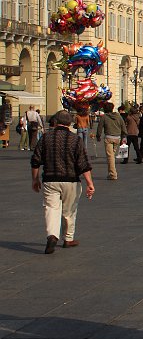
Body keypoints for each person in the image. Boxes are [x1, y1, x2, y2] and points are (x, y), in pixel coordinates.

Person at [30, 109, 95, 254]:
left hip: (50, 179)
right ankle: (68, 239)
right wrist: (90, 183)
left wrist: (35, 179)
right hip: (71, 180)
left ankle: (52, 235)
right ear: (70, 123)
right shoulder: (75, 140)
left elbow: (35, 160)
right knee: (69, 211)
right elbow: (83, 164)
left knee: (51, 208)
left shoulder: (45, 138)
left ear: (55, 122)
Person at [94, 102, 126, 180]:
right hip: (117, 138)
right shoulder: (118, 116)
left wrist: (98, 136)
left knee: (110, 156)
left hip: (109, 138)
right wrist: (124, 136)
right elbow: (123, 126)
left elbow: (100, 127)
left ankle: (113, 174)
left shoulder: (104, 117)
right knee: (112, 156)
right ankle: (110, 173)